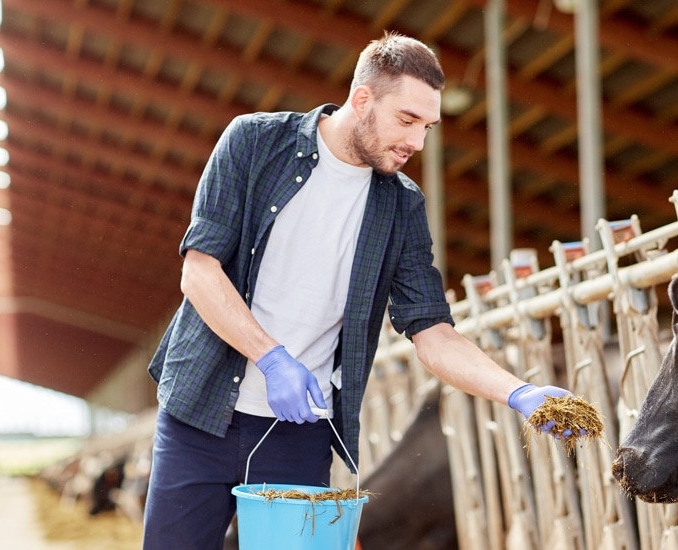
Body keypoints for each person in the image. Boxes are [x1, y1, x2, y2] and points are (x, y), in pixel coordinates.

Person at [142, 31, 576, 549]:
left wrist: (517, 391)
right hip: (200, 414)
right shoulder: (255, 143)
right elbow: (199, 272)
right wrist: (271, 358)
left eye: (427, 127)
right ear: (363, 98)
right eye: (407, 120)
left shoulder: (402, 207)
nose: (417, 142)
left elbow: (432, 331)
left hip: (298, 433)